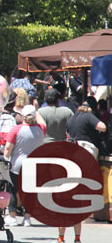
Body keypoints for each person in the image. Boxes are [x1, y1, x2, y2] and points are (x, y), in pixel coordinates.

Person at [59, 102, 107, 243]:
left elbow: (67, 133)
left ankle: (61, 237)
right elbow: (102, 127)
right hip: (86, 147)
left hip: (72, 148)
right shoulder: (88, 116)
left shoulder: (72, 118)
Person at [3, 104, 46, 227]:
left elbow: (8, 148)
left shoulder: (16, 130)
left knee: (13, 190)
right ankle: (27, 218)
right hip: (33, 165)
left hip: (17, 165)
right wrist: (36, 110)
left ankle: (12, 216)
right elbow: (43, 122)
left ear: (23, 116)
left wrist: (5, 161)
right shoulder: (41, 129)